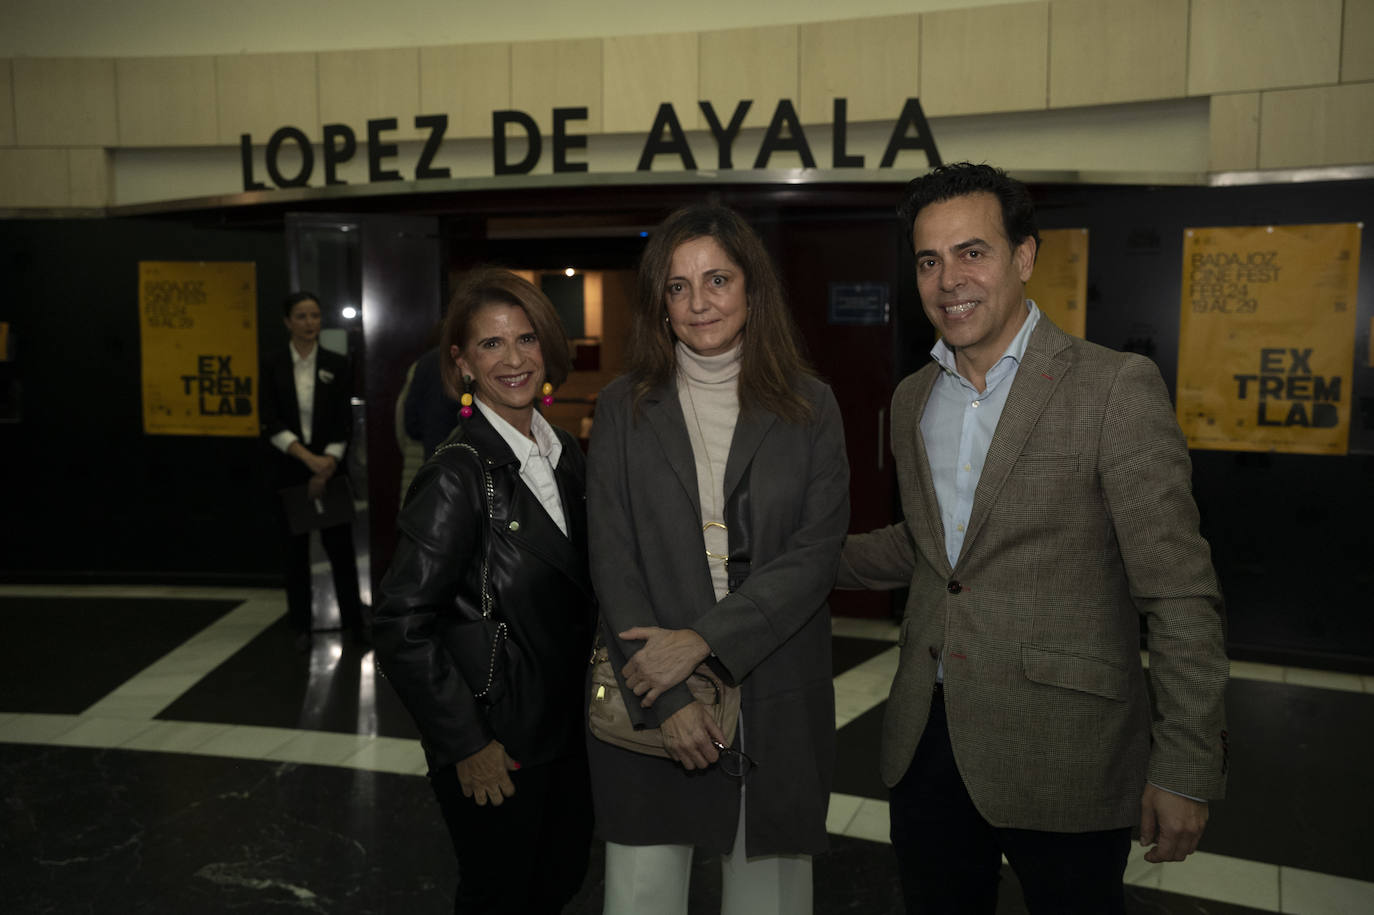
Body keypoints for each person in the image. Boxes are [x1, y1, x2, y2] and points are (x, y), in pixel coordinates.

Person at [838, 162, 1229, 914]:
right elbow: (933, 551)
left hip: (1067, 751)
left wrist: (1184, 765)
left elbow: (1178, 591)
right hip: (928, 743)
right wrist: (798, 551)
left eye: (972, 251)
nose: (949, 278)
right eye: (929, 259)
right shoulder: (912, 397)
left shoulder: (1113, 387)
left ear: (1023, 257)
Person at [586, 204, 850, 915]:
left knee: (770, 898)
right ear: (660, 305)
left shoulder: (811, 405)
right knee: (643, 898)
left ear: (752, 290)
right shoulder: (622, 407)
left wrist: (703, 642)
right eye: (678, 286)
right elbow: (613, 559)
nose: (698, 302)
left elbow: (815, 555)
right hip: (651, 696)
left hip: (777, 685)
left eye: (717, 279)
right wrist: (670, 697)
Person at [373, 268, 595, 914]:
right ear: (462, 363)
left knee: (555, 884)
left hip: (566, 736)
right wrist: (465, 743)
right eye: (491, 345)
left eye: (525, 339)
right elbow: (399, 622)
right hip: (499, 747)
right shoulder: (456, 474)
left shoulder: (562, 454)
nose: (514, 359)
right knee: (499, 897)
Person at [259, 291, 364, 646]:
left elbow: (343, 422)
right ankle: (301, 625)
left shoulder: (337, 363)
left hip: (330, 470)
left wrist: (327, 464)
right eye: (302, 316)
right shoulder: (272, 364)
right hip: (290, 468)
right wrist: (308, 459)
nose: (309, 323)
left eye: (315, 316)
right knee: (295, 553)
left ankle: (354, 623)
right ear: (288, 322)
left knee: (341, 551)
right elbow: (269, 422)